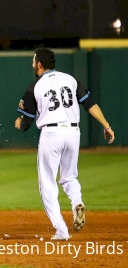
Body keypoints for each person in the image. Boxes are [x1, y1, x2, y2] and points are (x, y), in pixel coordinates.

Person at [14, 48, 115, 240]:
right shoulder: (70, 79)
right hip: (73, 132)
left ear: (40, 64)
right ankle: (77, 201)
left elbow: (26, 123)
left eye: (34, 61)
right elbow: (90, 104)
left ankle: (61, 231)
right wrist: (106, 125)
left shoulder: (34, 86)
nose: (33, 64)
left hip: (51, 133)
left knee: (47, 184)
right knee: (69, 177)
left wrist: (20, 124)